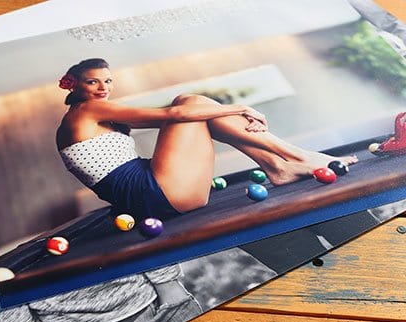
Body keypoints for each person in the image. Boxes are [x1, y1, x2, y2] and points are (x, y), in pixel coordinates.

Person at [57, 58, 358, 221]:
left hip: (153, 199)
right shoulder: (86, 110)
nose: (102, 87)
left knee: (193, 106)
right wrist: (240, 107)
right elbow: (174, 113)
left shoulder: (92, 117)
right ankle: (297, 157)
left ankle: (280, 166)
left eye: (107, 80)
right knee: (188, 103)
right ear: (76, 86)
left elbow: (173, 116)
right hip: (156, 192)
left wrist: (220, 111)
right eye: (92, 81)